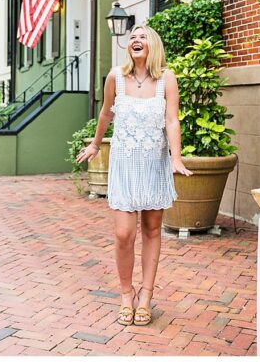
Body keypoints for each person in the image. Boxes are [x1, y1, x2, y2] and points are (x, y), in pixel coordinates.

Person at [76, 25, 192, 326]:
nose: (136, 41)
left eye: (142, 37)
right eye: (132, 38)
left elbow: (171, 119)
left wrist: (175, 157)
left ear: (153, 44)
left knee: (152, 231)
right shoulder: (116, 77)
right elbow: (106, 113)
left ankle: (147, 296)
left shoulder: (167, 78)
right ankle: (126, 294)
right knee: (124, 234)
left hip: (154, 164)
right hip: (125, 165)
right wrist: (94, 142)